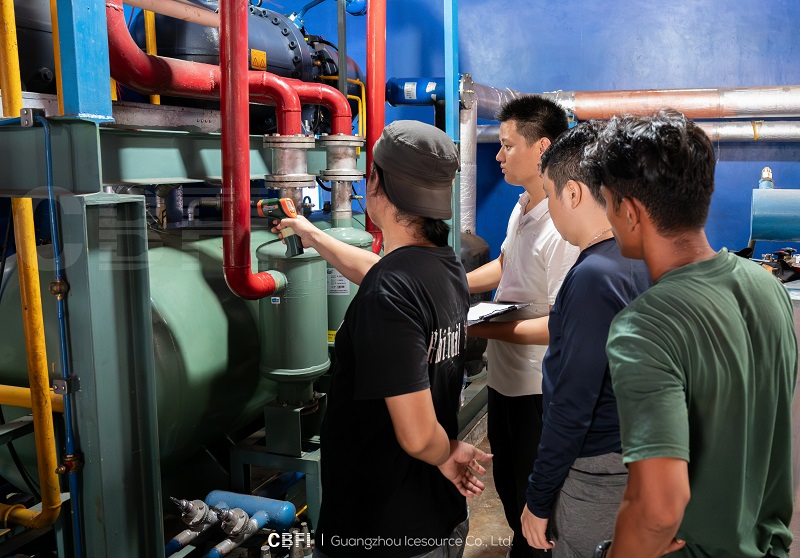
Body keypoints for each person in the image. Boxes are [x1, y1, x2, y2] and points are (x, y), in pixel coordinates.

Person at [274, 120, 492, 558]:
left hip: (381, 529)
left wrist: (446, 451)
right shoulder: (444, 265)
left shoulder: (390, 291)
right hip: (436, 516)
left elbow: (416, 437)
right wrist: (314, 236)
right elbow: (377, 271)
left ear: (376, 183)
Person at [592, 109, 798, 558]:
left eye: (606, 202)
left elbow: (659, 509)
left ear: (629, 211)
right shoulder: (769, 288)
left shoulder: (643, 327)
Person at [518, 121, 651, 558]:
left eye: (550, 193)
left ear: (572, 193)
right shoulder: (638, 257)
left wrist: (538, 500)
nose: (551, 207)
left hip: (599, 472)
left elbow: (572, 405)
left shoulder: (593, 276)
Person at [466, 96, 579, 558]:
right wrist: (452, 288)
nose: (497, 155)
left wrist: (478, 329)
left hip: (538, 388)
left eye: (508, 146)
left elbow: (561, 325)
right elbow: (505, 265)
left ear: (542, 149)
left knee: (538, 512)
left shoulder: (563, 225)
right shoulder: (523, 206)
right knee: (512, 497)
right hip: (505, 381)